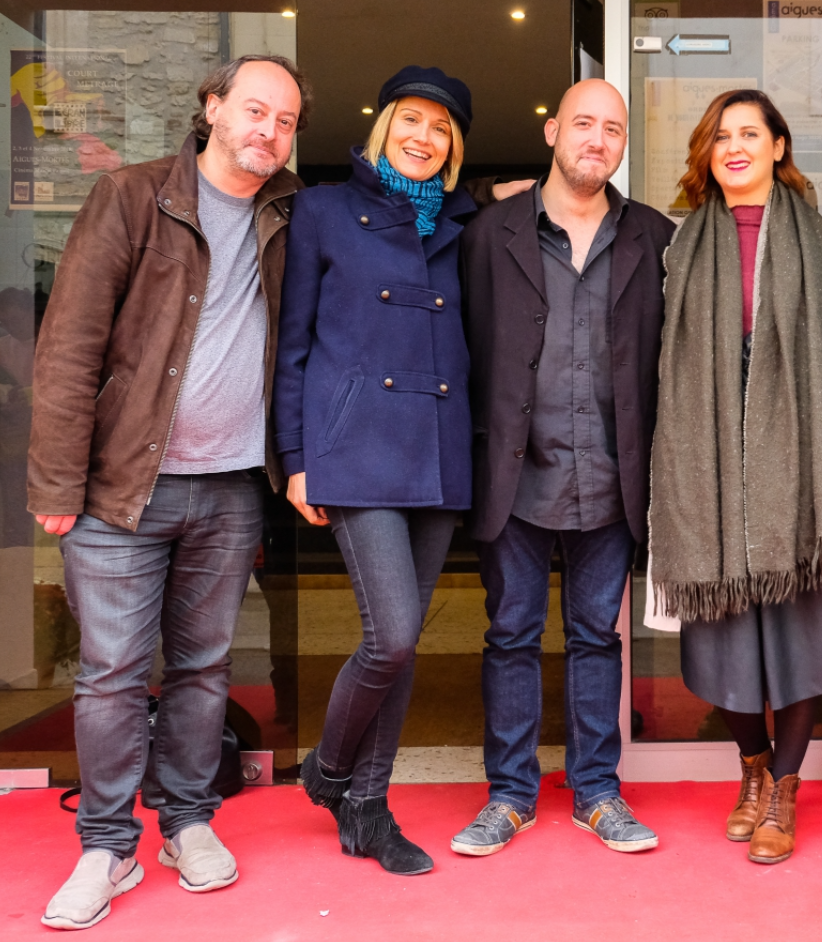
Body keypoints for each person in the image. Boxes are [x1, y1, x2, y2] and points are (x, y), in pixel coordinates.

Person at [27, 55, 310, 930]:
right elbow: (69, 345)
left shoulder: (291, 211)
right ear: (212, 107)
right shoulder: (132, 196)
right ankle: (107, 846)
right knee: (111, 676)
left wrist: (493, 196)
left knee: (203, 667)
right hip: (121, 490)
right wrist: (57, 479)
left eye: (286, 120)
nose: (268, 130)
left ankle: (188, 821)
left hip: (229, 489)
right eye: (254, 109)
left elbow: (389, 217)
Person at [451, 79, 675, 856]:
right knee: (510, 634)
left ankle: (597, 793)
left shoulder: (653, 236)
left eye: (611, 129)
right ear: (552, 131)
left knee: (595, 638)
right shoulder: (489, 232)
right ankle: (509, 794)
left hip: (612, 475)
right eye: (583, 123)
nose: (596, 140)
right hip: (513, 473)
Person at [275, 66, 478, 877]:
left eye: (441, 127)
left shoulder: (463, 222)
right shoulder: (322, 210)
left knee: (402, 644)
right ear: (384, 124)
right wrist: (295, 460)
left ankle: (366, 807)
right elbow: (291, 345)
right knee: (389, 634)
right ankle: (329, 770)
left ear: (454, 147)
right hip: (355, 447)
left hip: (439, 448)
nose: (423, 137)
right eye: (411, 120)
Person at [647, 89, 822, 865]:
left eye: (748, 134)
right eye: (719, 137)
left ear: (777, 146)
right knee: (723, 636)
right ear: (706, 155)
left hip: (797, 465)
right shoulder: (676, 247)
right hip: (705, 462)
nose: (733, 147)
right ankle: (752, 768)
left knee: (799, 636)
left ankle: (785, 790)